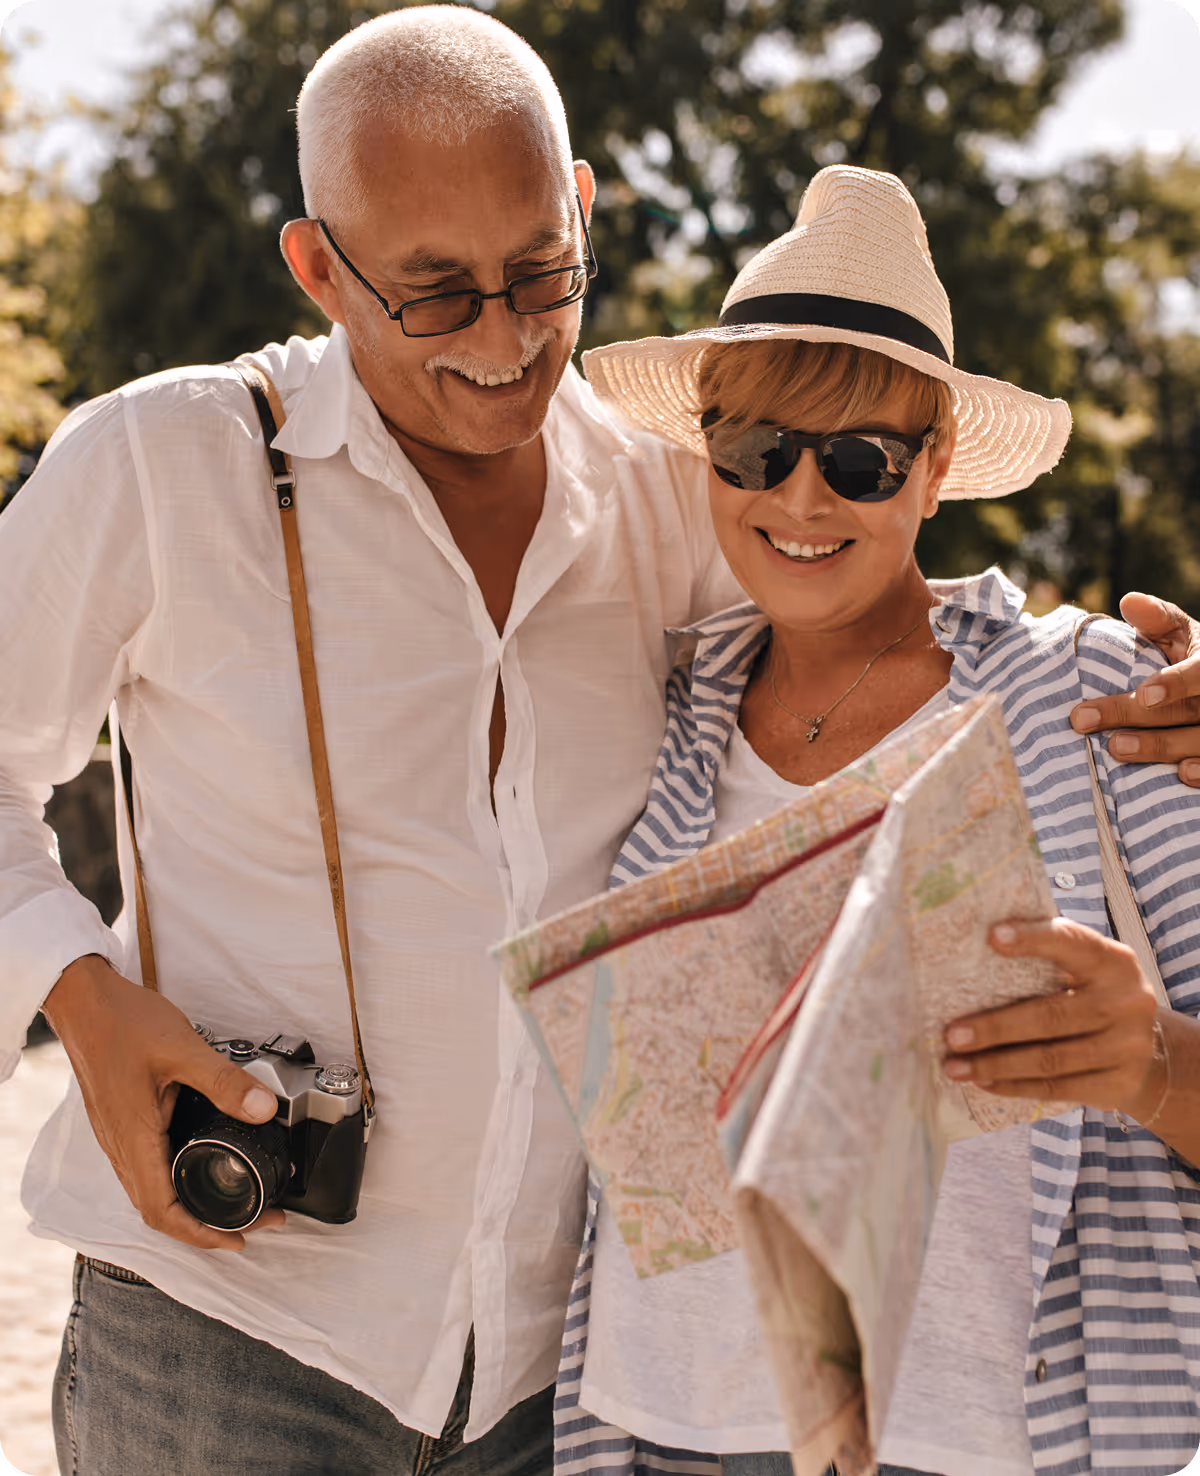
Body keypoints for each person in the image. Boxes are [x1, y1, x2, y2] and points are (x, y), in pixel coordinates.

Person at [0, 11, 1196, 1473]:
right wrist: (76, 992)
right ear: (318, 267)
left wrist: (1152, 672)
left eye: (540, 275)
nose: (504, 340)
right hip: (222, 1329)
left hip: (544, 1387)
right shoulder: (160, 462)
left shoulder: (667, 497)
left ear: (581, 209)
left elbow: (861, 588)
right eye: (435, 295)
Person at [552, 164, 1200, 1476]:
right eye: (757, 450)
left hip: (984, 1443)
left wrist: (1150, 1066)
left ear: (935, 466)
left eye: (860, 460)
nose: (801, 501)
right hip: (658, 1426)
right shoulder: (668, 698)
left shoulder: (1103, 699)